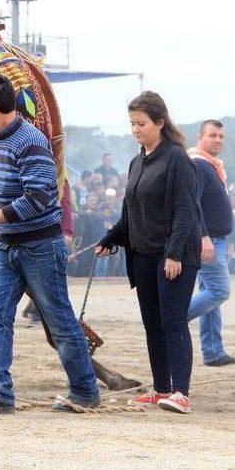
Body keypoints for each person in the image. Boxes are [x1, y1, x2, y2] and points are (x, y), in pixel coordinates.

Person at [0, 73, 99, 414]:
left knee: (58, 321)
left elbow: (39, 197)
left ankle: (85, 391)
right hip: (8, 247)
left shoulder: (30, 141)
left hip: (39, 247)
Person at [97, 91, 201, 414]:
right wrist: (112, 236)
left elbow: (185, 211)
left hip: (173, 256)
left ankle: (180, 393)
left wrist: (174, 253)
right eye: (132, 124)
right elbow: (130, 211)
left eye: (141, 123)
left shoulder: (177, 159)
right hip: (142, 254)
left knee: (173, 321)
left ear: (159, 122)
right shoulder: (136, 161)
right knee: (152, 324)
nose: (136, 129)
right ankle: (161, 388)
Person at [187, 120, 235, 366]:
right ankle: (171, 318)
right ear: (200, 137)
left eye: (221, 136)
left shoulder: (212, 166)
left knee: (209, 294)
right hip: (208, 240)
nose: (218, 140)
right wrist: (204, 238)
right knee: (219, 291)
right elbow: (193, 204)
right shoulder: (199, 165)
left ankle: (213, 351)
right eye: (213, 135)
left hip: (216, 238)